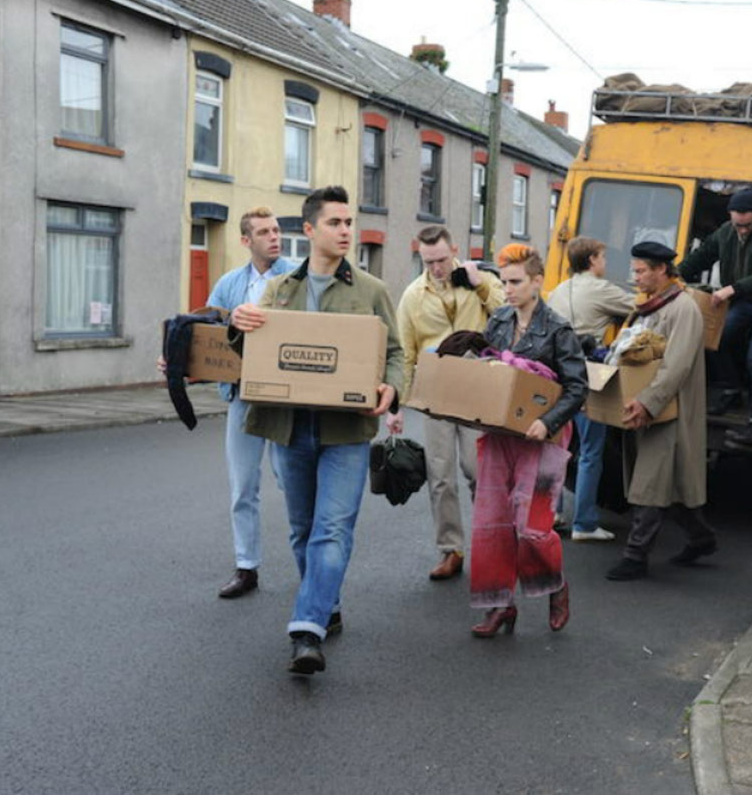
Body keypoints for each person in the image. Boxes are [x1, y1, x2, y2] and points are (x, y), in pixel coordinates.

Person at [230, 186, 404, 674]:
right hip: (290, 428)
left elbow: (395, 353)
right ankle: (327, 603)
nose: (346, 231)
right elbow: (254, 354)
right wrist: (238, 325)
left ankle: (307, 630)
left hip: (346, 430)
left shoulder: (371, 290)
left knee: (332, 528)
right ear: (309, 230)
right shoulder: (279, 290)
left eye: (349, 223)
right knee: (303, 530)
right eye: (335, 223)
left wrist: (392, 387)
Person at [160, 207, 293, 599]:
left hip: (285, 399)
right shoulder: (230, 283)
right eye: (264, 232)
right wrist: (174, 358)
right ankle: (246, 567)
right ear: (246, 240)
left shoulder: (298, 278)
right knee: (242, 487)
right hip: (241, 397)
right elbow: (202, 331)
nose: (274, 237)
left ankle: (310, 564)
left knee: (293, 482)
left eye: (276, 230)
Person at [469, 244, 588, 637]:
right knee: (492, 519)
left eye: (516, 282)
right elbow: (489, 369)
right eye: (504, 282)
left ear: (537, 282)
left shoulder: (558, 329)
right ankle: (499, 606)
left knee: (532, 525)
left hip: (543, 438)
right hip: (501, 433)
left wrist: (547, 421)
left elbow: (577, 387)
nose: (507, 290)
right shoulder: (499, 319)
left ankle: (556, 585)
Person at [387, 225, 504, 581]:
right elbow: (405, 352)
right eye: (428, 262)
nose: (436, 268)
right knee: (440, 476)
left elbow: (507, 314)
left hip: (476, 388)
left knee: (478, 470)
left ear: (454, 250)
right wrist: (397, 406)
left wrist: (480, 283)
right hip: (434, 392)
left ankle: (490, 542)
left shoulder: (480, 281)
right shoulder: (412, 295)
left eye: (440, 259)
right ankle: (450, 549)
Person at [606, 242, 715, 581]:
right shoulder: (648, 305)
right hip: (648, 405)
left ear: (662, 270)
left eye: (641, 271)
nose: (635, 277)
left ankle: (635, 556)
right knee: (670, 484)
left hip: (669, 409)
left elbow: (677, 365)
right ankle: (701, 538)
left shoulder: (683, 308)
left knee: (649, 484)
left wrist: (647, 402)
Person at [679, 186, 752, 445]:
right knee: (715, 340)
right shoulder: (725, 232)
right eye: (738, 225)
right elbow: (702, 256)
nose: (742, 230)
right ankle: (732, 390)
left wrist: (730, 289)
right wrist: (674, 276)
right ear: (730, 216)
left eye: (747, 225)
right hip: (743, 301)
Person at [548, 236, 635, 541]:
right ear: (592, 260)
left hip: (557, 375)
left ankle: (553, 513)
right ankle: (584, 524)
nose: (605, 262)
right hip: (587, 376)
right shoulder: (602, 289)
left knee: (558, 447)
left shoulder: (558, 291)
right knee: (590, 450)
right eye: (603, 257)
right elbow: (640, 306)